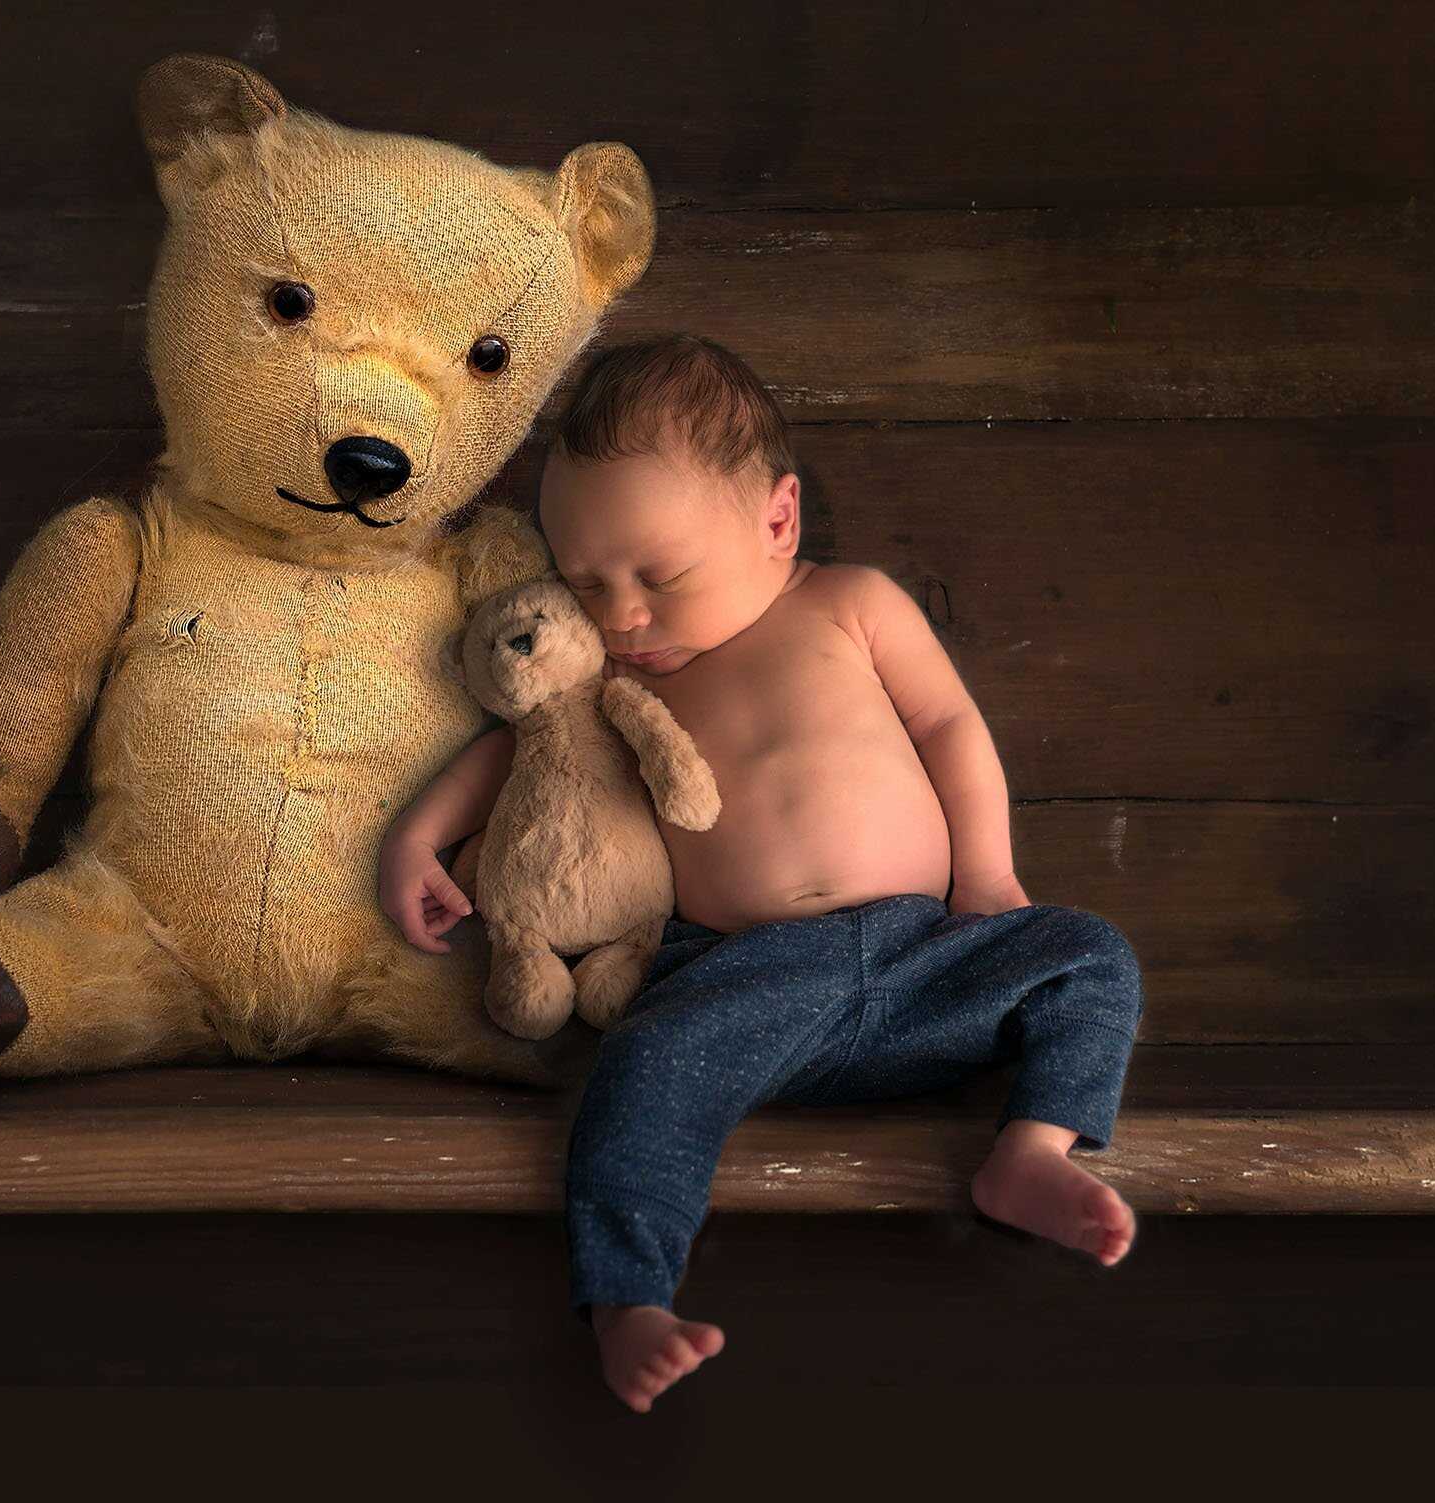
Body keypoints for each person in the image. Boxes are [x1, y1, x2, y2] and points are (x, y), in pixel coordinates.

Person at [379, 334, 1145, 1413]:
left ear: (777, 521)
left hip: (931, 961)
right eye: (585, 582)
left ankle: (1030, 1149)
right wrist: (417, 842)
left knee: (1087, 955)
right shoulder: (605, 674)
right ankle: (626, 1300)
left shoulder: (850, 604)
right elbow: (508, 749)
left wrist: (987, 876)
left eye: (660, 574)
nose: (623, 612)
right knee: (637, 1077)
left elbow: (949, 727)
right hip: (741, 986)